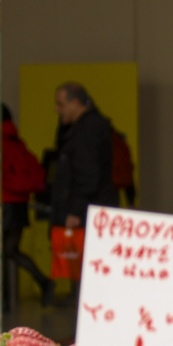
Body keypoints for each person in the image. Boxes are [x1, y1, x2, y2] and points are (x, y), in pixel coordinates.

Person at [0, 105, 52, 313]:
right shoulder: (16, 140)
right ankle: (43, 281)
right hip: (19, 203)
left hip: (4, 202)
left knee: (2, 252)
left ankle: (3, 301)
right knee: (9, 250)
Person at [48, 83, 119, 235]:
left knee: (77, 258)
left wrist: (75, 212)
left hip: (82, 218)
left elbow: (87, 174)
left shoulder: (86, 129)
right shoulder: (88, 126)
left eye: (61, 104)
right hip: (92, 214)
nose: (57, 109)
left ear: (75, 103)